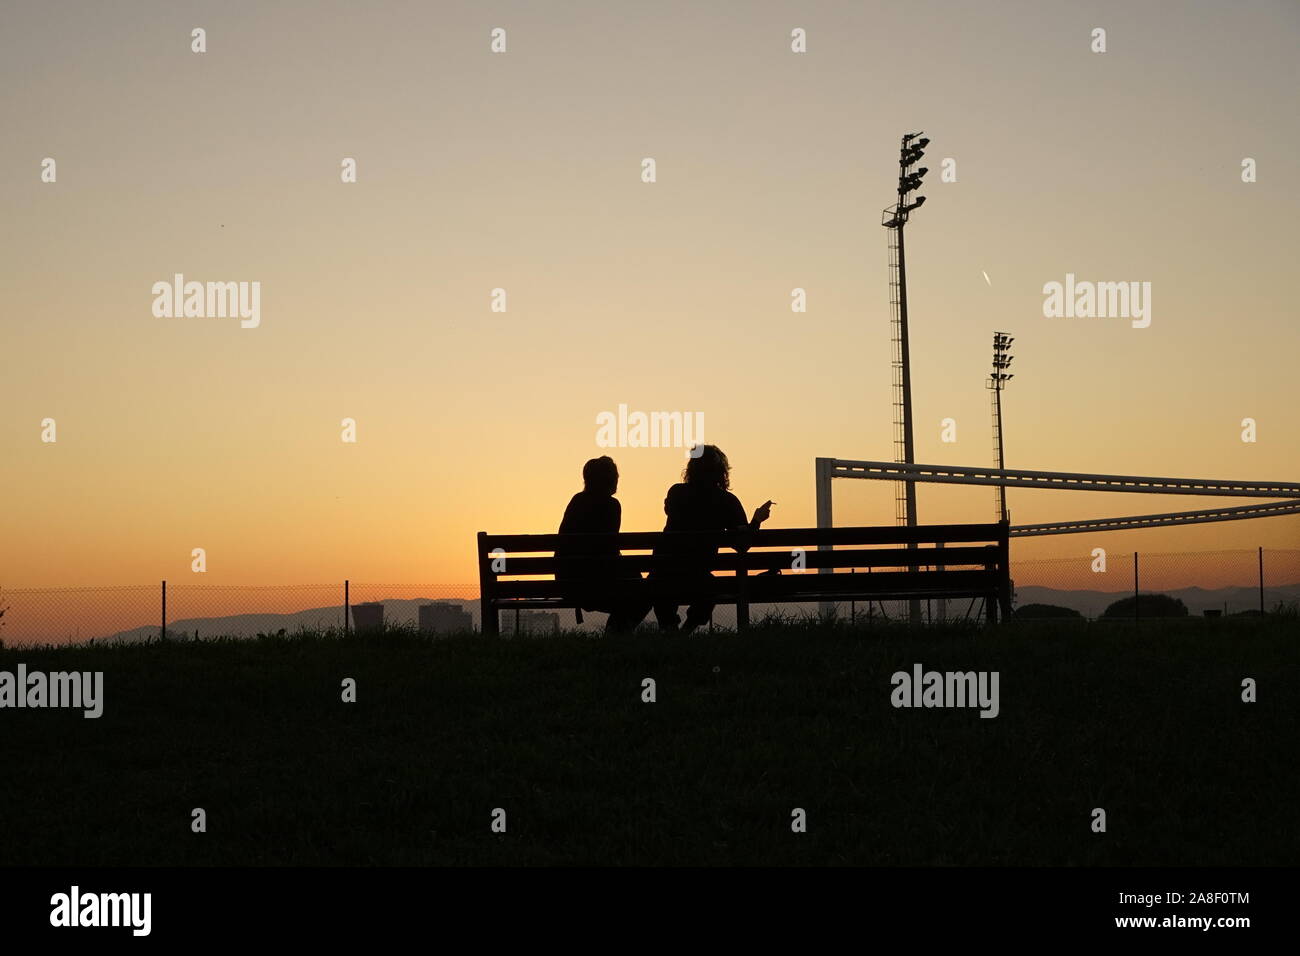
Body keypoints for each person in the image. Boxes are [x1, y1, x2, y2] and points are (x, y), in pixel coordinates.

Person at [650, 445, 772, 634]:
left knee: (661, 581)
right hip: (698, 574)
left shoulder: (676, 492)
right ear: (721, 472)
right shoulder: (727, 501)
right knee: (709, 587)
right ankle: (685, 631)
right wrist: (756, 520)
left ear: (691, 468)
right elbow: (742, 545)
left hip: (665, 571)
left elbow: (670, 511)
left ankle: (669, 629)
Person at [556, 456, 649, 633]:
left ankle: (615, 634)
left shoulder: (576, 502)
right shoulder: (611, 505)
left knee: (632, 587)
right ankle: (616, 634)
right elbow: (609, 549)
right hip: (598, 584)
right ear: (610, 480)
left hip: (568, 584)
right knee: (643, 591)